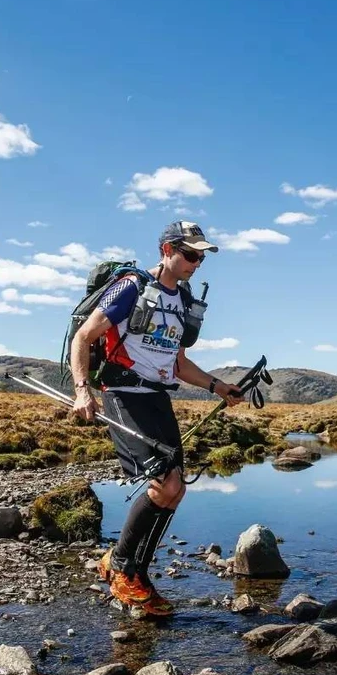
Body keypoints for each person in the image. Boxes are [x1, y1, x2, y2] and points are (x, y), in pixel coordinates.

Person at [71, 221, 244, 616]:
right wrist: (83, 390)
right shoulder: (131, 286)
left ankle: (129, 568)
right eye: (191, 254)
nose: (197, 262)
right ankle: (123, 571)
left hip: (158, 397)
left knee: (175, 487)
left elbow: (179, 363)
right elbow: (85, 337)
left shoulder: (182, 300)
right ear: (167, 249)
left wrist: (218, 386)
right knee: (164, 483)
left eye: (201, 256)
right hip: (123, 393)